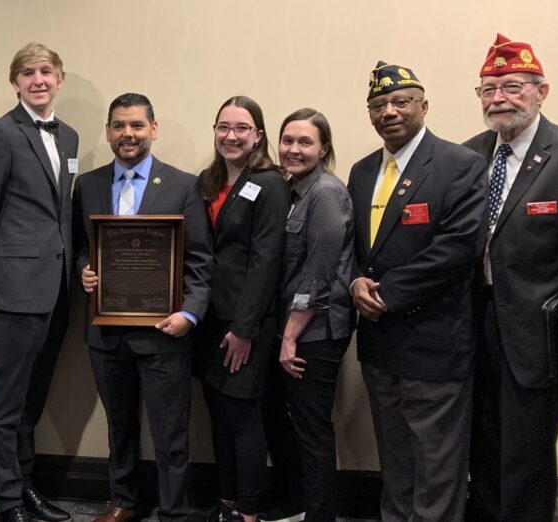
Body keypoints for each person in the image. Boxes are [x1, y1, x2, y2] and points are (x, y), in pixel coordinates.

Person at [348, 62, 486, 522]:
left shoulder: (460, 164)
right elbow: (355, 246)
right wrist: (354, 281)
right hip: (380, 344)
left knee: (437, 464)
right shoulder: (362, 170)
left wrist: (386, 293)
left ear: (424, 106)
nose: (389, 111)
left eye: (400, 101)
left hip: (435, 340)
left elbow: (459, 246)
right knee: (396, 458)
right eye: (378, 104)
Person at [73, 93, 212, 522]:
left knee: (170, 432)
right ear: (109, 132)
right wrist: (84, 272)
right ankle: (125, 500)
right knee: (120, 427)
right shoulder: (89, 184)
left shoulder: (184, 185)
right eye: (118, 126)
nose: (127, 134)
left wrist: (189, 314)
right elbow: (81, 248)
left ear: (153, 129)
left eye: (136, 125)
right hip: (106, 332)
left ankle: (173, 510)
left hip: (165, 332)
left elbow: (201, 261)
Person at [0, 42, 78, 522]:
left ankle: (25, 486)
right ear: (15, 83)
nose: (38, 80)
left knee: (33, 397)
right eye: (27, 73)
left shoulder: (68, 136)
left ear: (59, 79)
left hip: (58, 288)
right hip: (13, 289)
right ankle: (8, 500)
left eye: (46, 71)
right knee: (6, 401)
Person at [462, 34, 558, 522]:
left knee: (527, 450)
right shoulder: (467, 155)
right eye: (488, 88)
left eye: (512, 85)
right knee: (480, 439)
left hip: (537, 328)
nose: (499, 97)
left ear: (541, 92)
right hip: (470, 321)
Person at [192, 96, 289, 522]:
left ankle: (247, 511)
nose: (231, 136)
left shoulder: (268, 183)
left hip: (245, 323)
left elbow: (266, 260)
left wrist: (245, 329)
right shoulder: (207, 181)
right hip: (207, 319)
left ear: (258, 136)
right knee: (218, 415)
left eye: (242, 128)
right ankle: (227, 502)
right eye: (223, 127)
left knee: (244, 415)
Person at [275, 109, 354, 522]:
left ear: (323, 148)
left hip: (316, 332)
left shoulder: (324, 192)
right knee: (301, 427)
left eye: (305, 142)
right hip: (300, 327)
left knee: (312, 430)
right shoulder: (293, 189)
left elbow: (319, 272)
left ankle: (321, 515)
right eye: (288, 140)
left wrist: (290, 337)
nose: (293, 149)